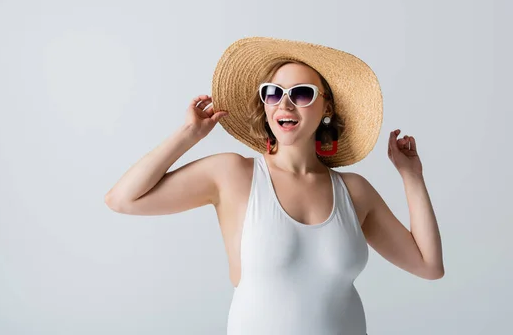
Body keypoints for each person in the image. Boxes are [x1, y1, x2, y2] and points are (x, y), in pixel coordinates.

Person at [105, 37, 445, 335]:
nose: (284, 103)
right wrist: (188, 134)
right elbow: (122, 199)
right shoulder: (233, 175)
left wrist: (411, 177)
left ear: (327, 106)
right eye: (273, 93)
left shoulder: (354, 191)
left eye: (300, 93)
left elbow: (428, 266)